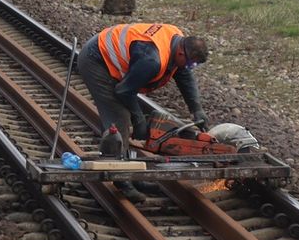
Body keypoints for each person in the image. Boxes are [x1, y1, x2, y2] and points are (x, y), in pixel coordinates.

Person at [77, 23, 209, 157]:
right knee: (120, 116)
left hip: (105, 49)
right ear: (181, 53)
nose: (189, 68)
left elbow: (184, 76)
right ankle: (116, 167)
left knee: (127, 112)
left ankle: (116, 153)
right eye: (191, 64)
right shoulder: (152, 60)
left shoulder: (177, 40)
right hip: (95, 59)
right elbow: (123, 91)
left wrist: (196, 109)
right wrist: (138, 120)